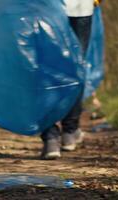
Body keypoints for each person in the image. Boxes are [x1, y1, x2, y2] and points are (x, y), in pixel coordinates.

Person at [41, 0, 95, 160]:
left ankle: (50, 137)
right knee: (75, 69)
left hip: (42, 9)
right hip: (79, 8)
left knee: (44, 70)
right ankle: (69, 132)